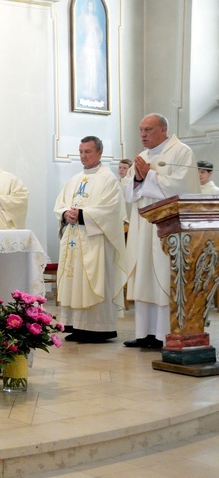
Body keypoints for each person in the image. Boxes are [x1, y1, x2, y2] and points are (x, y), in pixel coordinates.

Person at [123, 113, 200, 349]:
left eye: (148, 129)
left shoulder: (181, 152)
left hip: (167, 229)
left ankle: (164, 334)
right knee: (144, 276)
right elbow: (127, 190)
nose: (143, 134)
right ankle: (145, 333)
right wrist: (136, 178)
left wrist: (149, 175)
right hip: (143, 228)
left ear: (163, 130)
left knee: (162, 278)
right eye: (141, 130)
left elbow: (182, 186)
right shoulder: (143, 157)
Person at [55, 136, 127, 343]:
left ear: (99, 153)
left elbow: (111, 211)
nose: (83, 156)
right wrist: (64, 214)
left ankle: (97, 328)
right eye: (81, 152)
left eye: (88, 152)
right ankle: (77, 326)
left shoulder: (108, 179)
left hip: (95, 241)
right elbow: (60, 203)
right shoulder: (75, 179)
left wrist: (82, 214)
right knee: (74, 280)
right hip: (74, 239)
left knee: (92, 280)